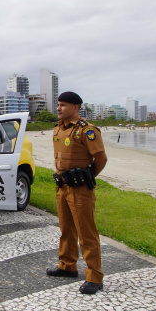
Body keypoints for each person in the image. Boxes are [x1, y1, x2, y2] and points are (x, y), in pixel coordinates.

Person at [48, 91, 109, 295]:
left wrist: (88, 177)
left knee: (86, 233)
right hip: (62, 186)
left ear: (75, 108)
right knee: (66, 229)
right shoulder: (58, 129)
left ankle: (94, 276)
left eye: (63, 105)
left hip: (80, 188)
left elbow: (101, 158)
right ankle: (67, 265)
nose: (58, 108)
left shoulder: (87, 131)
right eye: (58, 104)